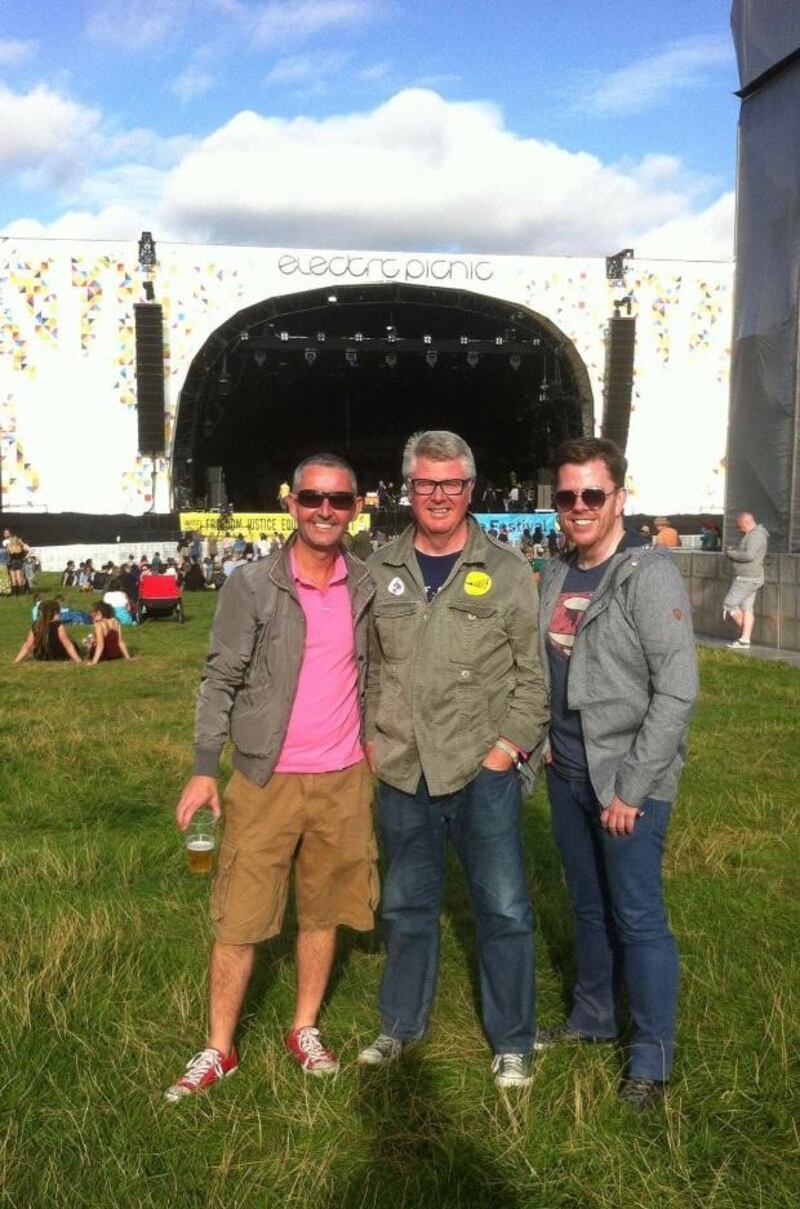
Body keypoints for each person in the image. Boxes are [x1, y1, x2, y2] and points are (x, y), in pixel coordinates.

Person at [165, 453, 377, 1103]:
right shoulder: (252, 585)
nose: (324, 509)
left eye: (338, 500)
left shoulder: (365, 584)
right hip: (264, 778)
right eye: (313, 496)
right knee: (240, 916)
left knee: (324, 909)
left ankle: (303, 1026)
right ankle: (219, 1046)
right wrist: (206, 768)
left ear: (356, 507)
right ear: (291, 502)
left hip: (343, 777)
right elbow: (219, 678)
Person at [359, 430, 548, 1090]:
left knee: (503, 908)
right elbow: (369, 667)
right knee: (407, 906)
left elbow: (533, 676)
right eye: (425, 483)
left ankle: (513, 1040)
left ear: (471, 489)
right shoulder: (379, 567)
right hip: (403, 768)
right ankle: (401, 1025)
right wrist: (370, 740)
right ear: (406, 488)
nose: (438, 496)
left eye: (452, 484)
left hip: (479, 768)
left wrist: (505, 751)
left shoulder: (509, 570)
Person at [536, 437, 698, 1110]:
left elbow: (679, 690)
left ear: (619, 500)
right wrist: (545, 737)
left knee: (637, 916)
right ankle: (593, 1017)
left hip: (629, 779)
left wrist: (632, 787)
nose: (578, 507)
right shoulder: (555, 570)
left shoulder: (647, 574)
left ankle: (651, 1060)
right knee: (588, 906)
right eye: (567, 495)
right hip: (567, 771)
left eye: (591, 495)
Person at [723, 511, 769, 649]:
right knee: (747, 608)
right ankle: (744, 640)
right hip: (752, 577)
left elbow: (749, 555)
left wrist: (732, 554)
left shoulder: (755, 535)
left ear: (747, 522)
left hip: (746, 578)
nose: (740, 529)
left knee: (729, 605)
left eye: (741, 526)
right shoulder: (756, 534)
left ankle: (745, 635)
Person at [13, 599, 82, 664]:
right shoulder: (58, 626)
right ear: (55, 612)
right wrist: (78, 661)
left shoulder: (36, 625)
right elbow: (67, 645)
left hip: (41, 656)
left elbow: (28, 645)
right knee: (73, 644)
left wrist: (16, 661)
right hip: (58, 656)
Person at [3, 528, 30, 595]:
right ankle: (16, 592)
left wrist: (25, 554)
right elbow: (8, 551)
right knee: (13, 578)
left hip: (18, 560)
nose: (5, 534)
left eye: (7, 532)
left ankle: (24, 590)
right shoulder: (5, 542)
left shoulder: (17, 540)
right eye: (4, 533)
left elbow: (25, 547)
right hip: (11, 561)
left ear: (10, 533)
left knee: (20, 577)